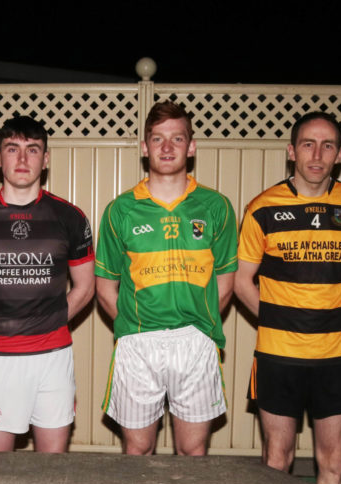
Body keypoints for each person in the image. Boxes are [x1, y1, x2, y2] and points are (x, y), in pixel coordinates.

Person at [234, 111, 341, 484]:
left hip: (337, 354)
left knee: (334, 462)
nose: (317, 154)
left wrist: (329, 314)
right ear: (291, 151)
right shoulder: (262, 208)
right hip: (278, 354)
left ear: (339, 154)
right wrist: (278, 318)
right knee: (276, 460)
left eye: (327, 146)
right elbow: (242, 281)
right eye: (308, 144)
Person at [95, 101, 238, 455]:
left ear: (191, 147)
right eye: (158, 139)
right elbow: (105, 288)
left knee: (193, 451)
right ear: (145, 148)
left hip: (195, 339)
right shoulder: (120, 210)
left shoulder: (216, 206)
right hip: (138, 342)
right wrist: (137, 325)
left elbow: (225, 282)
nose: (167, 147)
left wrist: (200, 327)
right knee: (137, 450)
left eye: (177, 138)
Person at [0, 115, 95, 452]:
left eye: (33, 149)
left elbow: (85, 287)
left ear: (46, 159)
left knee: (51, 467)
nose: (23, 158)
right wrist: (2, 324)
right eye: (12, 149)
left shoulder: (70, 218)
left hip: (53, 357)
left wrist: (47, 322)